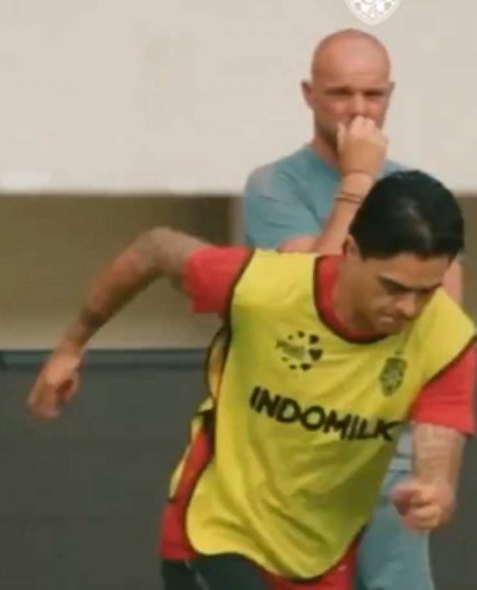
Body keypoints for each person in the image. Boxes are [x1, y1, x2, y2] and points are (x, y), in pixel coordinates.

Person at [27, 169, 474, 589]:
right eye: (393, 287)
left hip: (319, 560)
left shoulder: (448, 337)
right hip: (216, 533)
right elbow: (156, 248)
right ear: (352, 251)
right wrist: (72, 345)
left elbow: (442, 428)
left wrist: (436, 486)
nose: (408, 308)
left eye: (426, 292)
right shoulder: (262, 288)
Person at [243, 29, 464, 589]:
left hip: (387, 443)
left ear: (391, 95)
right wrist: (358, 178)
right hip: (298, 451)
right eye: (340, 93)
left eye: (373, 94)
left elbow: (445, 340)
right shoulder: (275, 185)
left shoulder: (416, 193)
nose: (358, 110)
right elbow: (308, 292)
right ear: (309, 94)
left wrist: (435, 473)